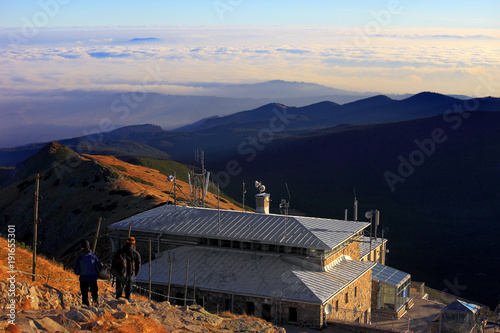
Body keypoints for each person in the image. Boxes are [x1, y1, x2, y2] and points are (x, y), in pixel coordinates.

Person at [74, 240, 103, 307]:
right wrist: (97, 272)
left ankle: (85, 307)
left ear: (82, 248)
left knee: (84, 294)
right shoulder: (93, 256)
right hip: (93, 277)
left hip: (83, 278)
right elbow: (99, 267)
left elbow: (76, 270)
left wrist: (79, 273)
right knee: (94, 293)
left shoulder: (79, 257)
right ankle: (96, 306)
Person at [112, 236, 141, 302]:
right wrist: (134, 274)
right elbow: (138, 266)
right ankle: (127, 304)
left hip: (120, 274)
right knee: (128, 292)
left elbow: (114, 262)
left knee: (119, 292)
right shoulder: (136, 254)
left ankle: (117, 305)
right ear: (134, 243)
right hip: (130, 274)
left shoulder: (120, 252)